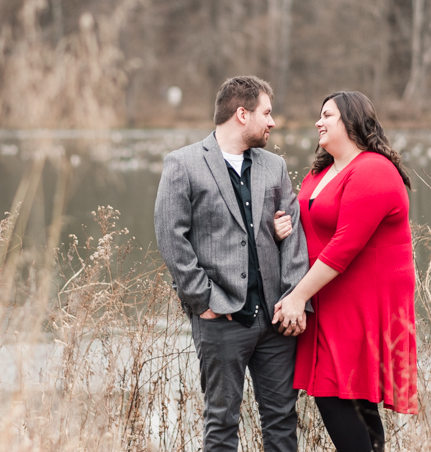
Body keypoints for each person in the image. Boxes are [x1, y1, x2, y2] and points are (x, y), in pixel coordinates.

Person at [154, 75, 309, 452]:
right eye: (266, 113)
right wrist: (203, 302)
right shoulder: (184, 164)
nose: (272, 122)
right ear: (242, 114)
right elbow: (171, 237)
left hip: (274, 321)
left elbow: (294, 234)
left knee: (283, 424)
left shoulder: (274, 167)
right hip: (220, 319)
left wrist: (293, 298)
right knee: (221, 425)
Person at [272, 91, 417, 452]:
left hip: (360, 303)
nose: (318, 122)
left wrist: (297, 297)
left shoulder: (373, 170)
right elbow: (309, 222)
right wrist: (283, 227)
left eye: (327, 115)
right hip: (329, 299)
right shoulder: (321, 171)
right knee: (348, 397)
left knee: (340, 395)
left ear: (352, 122)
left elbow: (344, 245)